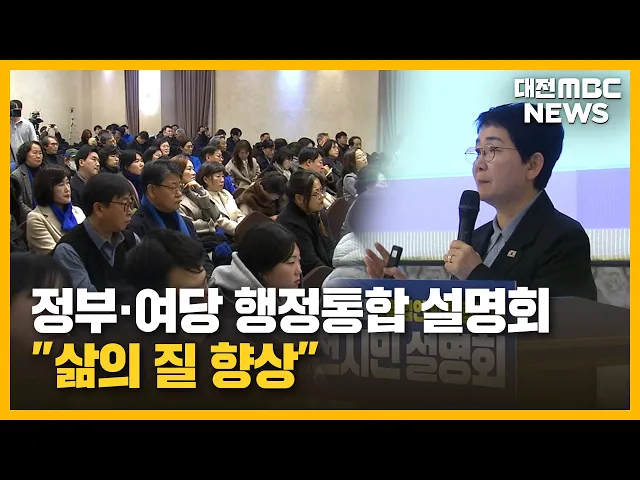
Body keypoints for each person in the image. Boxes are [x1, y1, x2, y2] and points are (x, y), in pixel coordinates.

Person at [365, 102, 597, 300]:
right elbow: (459, 318)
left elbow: (560, 324)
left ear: (533, 165)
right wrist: (402, 294)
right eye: (478, 152)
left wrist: (476, 274)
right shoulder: (476, 238)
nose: (479, 164)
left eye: (492, 150)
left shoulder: (564, 238)